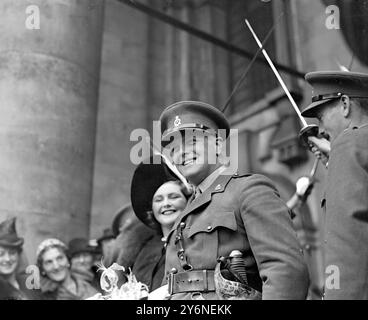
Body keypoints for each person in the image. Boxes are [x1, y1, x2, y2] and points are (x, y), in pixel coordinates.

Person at [158, 100, 309, 300]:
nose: (181, 153)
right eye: (174, 149)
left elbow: (284, 270)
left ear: (219, 144)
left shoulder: (248, 190)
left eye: (192, 142)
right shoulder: (183, 217)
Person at [301, 71, 368, 299]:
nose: (319, 130)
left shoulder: (349, 144)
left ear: (345, 104)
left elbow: (346, 241)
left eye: (320, 118)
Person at [130, 160, 190, 292]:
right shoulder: (145, 250)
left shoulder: (195, 241)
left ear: (188, 202)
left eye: (173, 197)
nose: (166, 204)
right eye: (158, 200)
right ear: (152, 208)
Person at [0, 217, 41, 300]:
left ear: (19, 255)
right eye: (1, 254)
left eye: (12, 253)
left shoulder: (30, 283)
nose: (7, 259)